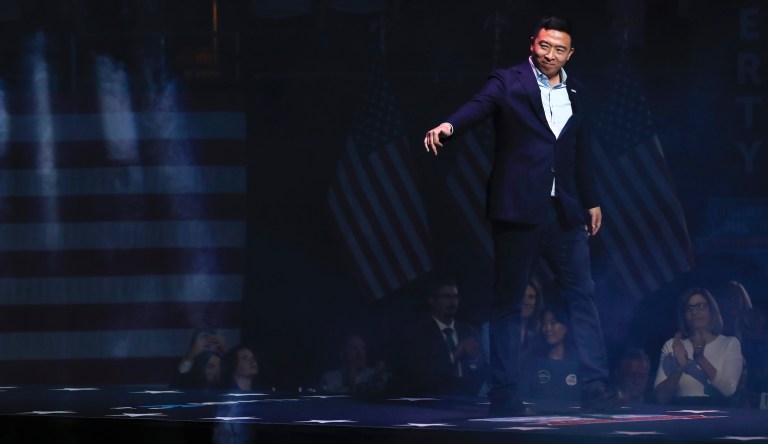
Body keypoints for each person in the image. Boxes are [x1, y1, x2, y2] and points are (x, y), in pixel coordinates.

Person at [423, 16, 618, 415]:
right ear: (533, 43)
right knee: (508, 305)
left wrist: (591, 199)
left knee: (583, 297)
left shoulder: (577, 90)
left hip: (564, 211)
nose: (550, 55)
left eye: (558, 49)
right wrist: (448, 125)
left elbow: (580, 149)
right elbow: (478, 106)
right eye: (544, 46)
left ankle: (595, 387)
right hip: (518, 211)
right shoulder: (508, 80)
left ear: (570, 53)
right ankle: (505, 394)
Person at [653, 288, 743, 406]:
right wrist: (680, 368)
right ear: (684, 315)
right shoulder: (672, 346)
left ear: (711, 310)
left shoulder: (730, 343)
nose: (694, 312)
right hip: (681, 419)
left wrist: (700, 358)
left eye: (700, 306)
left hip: (718, 419)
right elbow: (660, 397)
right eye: (689, 308)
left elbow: (729, 391)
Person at [397, 275, 485, 396]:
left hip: (466, 399)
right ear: (432, 300)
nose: (452, 302)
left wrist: (474, 359)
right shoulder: (418, 332)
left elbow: (481, 369)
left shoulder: (469, 330)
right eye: (446, 297)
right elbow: (419, 371)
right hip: (431, 401)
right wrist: (454, 355)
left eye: (455, 297)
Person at [519, 300, 580, 405]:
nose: (547, 329)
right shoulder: (531, 360)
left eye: (553, 323)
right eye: (544, 323)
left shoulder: (580, 361)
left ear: (566, 326)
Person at [318, 333, 390, 394]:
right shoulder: (330, 378)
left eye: (362, 348)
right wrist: (349, 385)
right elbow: (328, 405)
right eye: (353, 348)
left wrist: (379, 381)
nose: (359, 353)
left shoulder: (376, 374)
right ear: (342, 353)